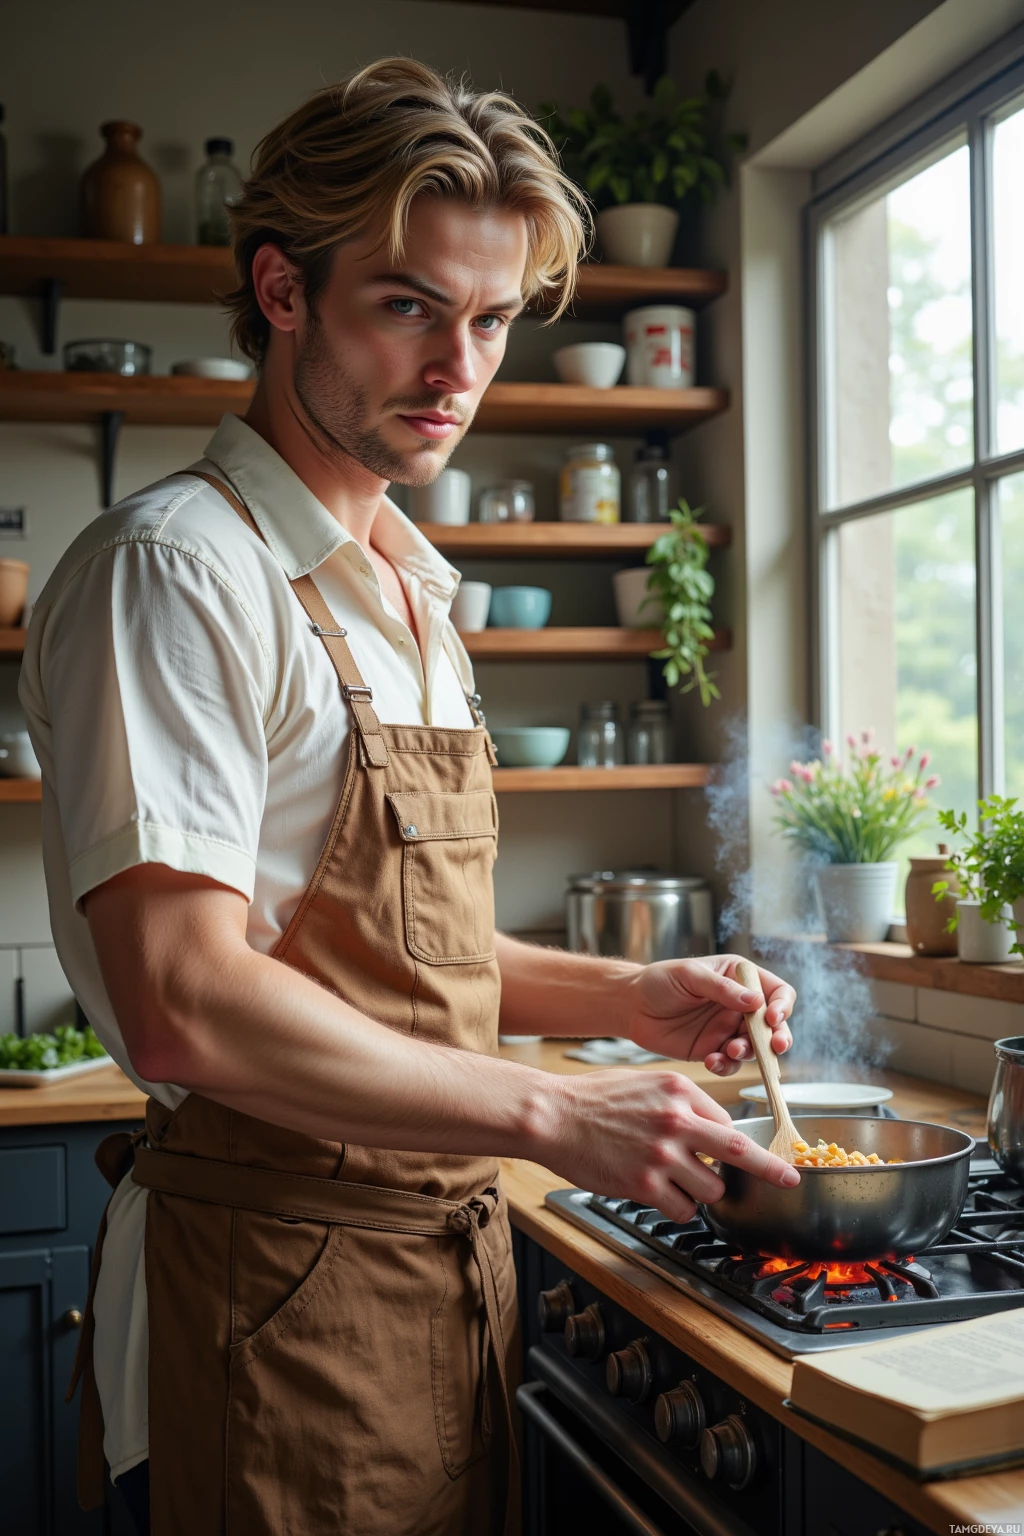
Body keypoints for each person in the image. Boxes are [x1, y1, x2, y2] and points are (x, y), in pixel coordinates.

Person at [20, 58, 799, 1536]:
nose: (460, 366)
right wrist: (551, 1116)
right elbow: (185, 993)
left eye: (493, 319)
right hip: (260, 1306)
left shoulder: (411, 598)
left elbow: (390, 961)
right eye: (408, 305)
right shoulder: (182, 570)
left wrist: (627, 999)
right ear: (284, 290)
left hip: (437, 1276)